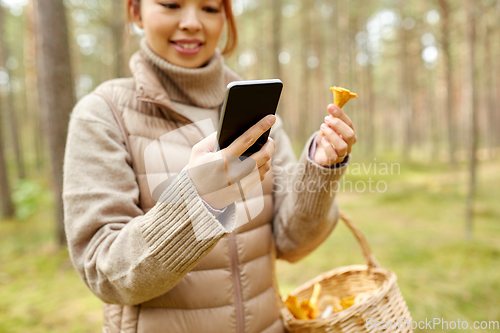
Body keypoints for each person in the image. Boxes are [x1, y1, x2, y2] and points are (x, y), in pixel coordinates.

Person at [62, 0, 358, 332]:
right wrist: (199, 201)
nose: (192, 23)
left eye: (210, 8)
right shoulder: (104, 114)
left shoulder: (258, 113)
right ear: (135, 12)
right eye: (171, 4)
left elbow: (293, 244)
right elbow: (105, 275)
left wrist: (319, 172)